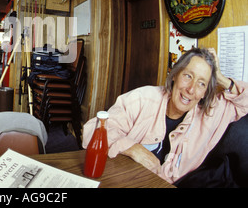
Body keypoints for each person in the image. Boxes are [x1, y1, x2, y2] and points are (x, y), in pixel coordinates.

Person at [82, 47, 248, 184]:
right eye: (188, 76)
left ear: (205, 92)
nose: (191, 89)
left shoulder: (211, 114)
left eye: (201, 83)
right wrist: (132, 148)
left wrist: (220, 78)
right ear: (175, 75)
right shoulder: (143, 98)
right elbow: (91, 130)